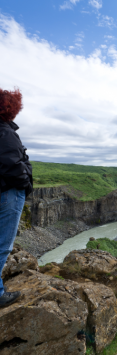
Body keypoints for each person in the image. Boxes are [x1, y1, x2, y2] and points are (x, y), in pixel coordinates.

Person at [0, 87, 33, 307]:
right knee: (2, 245)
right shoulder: (5, 132)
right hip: (8, 194)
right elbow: (13, 166)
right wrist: (26, 185)